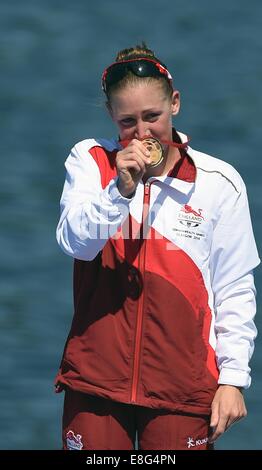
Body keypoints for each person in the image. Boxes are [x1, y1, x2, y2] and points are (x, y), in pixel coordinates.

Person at [55, 43, 260, 450]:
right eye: (128, 121)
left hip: (183, 389)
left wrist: (233, 380)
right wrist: (121, 190)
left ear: (176, 104)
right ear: (111, 116)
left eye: (153, 116)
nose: (143, 133)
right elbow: (75, 242)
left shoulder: (219, 181)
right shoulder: (90, 160)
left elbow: (235, 288)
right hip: (96, 382)